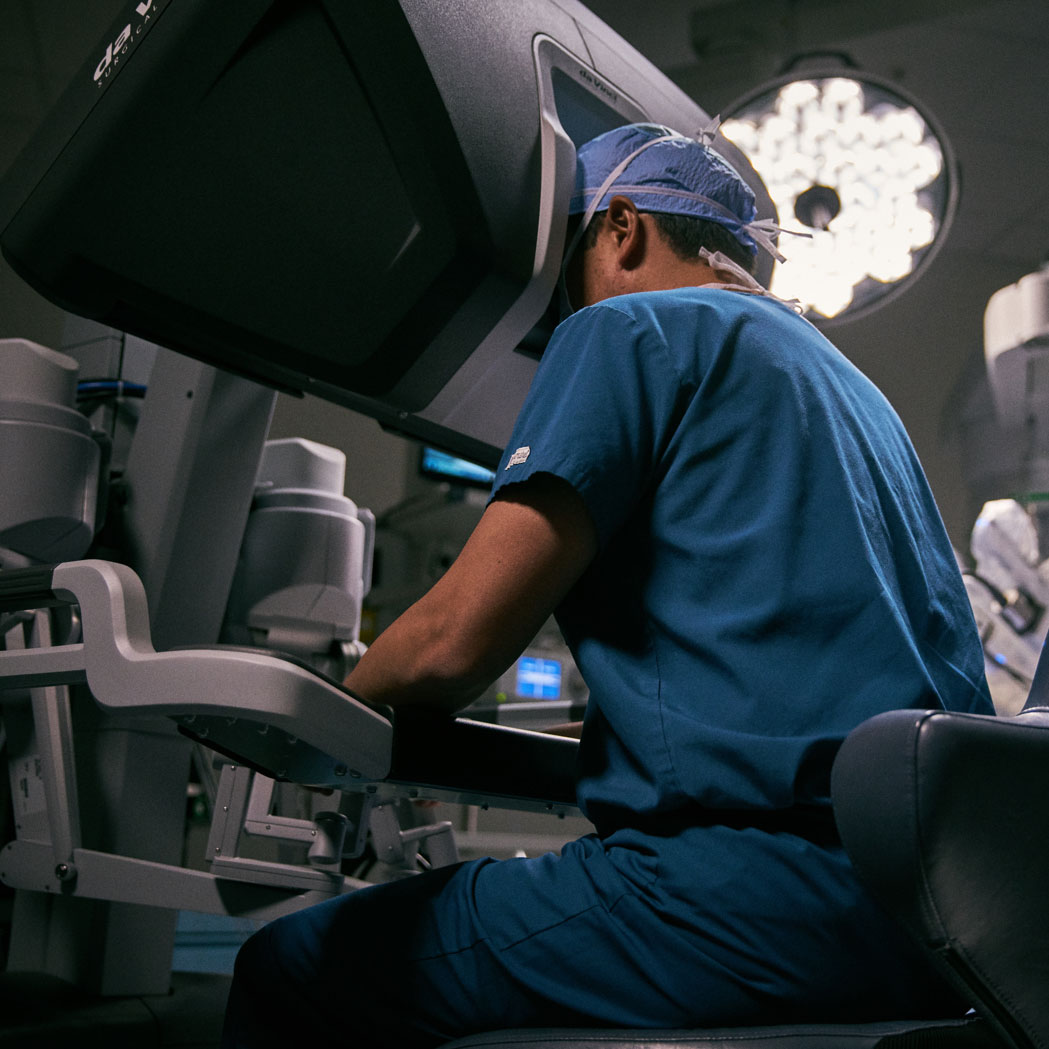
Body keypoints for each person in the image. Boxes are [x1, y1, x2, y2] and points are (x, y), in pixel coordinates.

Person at [221, 123, 993, 1049]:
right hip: (940, 917)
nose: (559, 317)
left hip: (743, 899)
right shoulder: (858, 394)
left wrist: (322, 716)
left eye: (564, 278)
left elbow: (450, 642)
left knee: (287, 969)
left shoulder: (627, 328)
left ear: (620, 227)